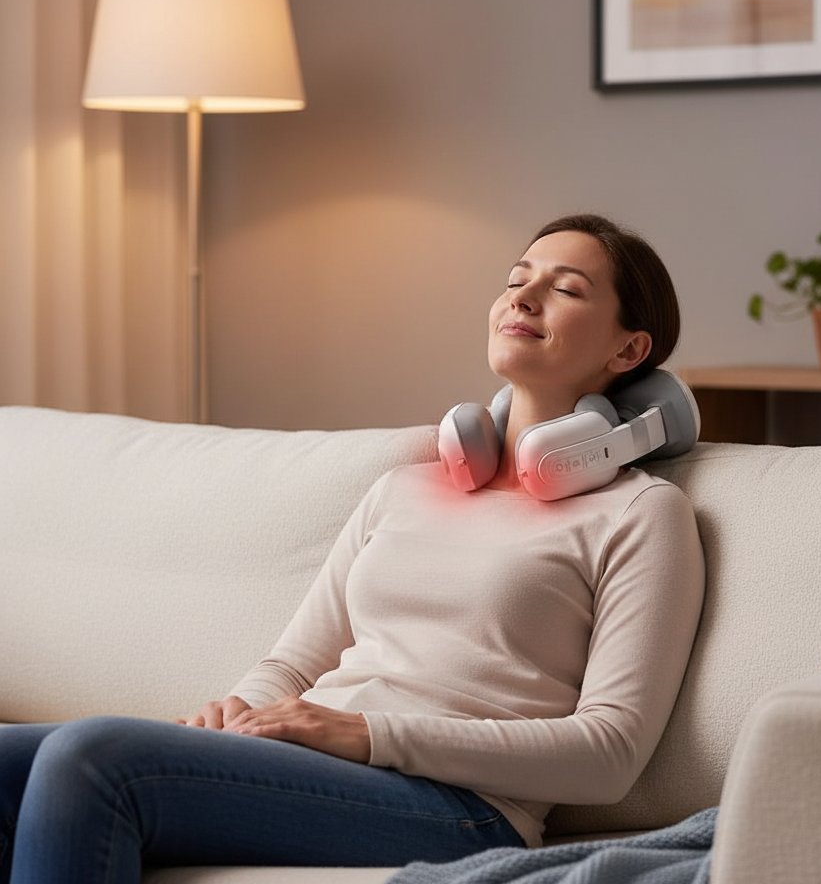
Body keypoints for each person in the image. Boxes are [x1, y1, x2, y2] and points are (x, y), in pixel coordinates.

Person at [0, 214, 704, 883]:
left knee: (91, 757)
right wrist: (239, 713)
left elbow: (608, 754)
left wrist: (363, 734)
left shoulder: (641, 513)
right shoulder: (406, 486)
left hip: (460, 807)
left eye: (567, 287)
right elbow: (294, 664)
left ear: (628, 349)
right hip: (320, 762)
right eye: (518, 276)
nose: (525, 294)